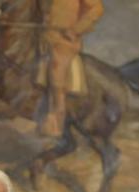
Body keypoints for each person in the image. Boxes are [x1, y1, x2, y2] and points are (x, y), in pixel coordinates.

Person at [38, 0, 104, 138]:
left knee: (57, 76)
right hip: (44, 38)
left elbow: (96, 9)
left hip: (65, 41)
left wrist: (76, 29)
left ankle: (56, 123)